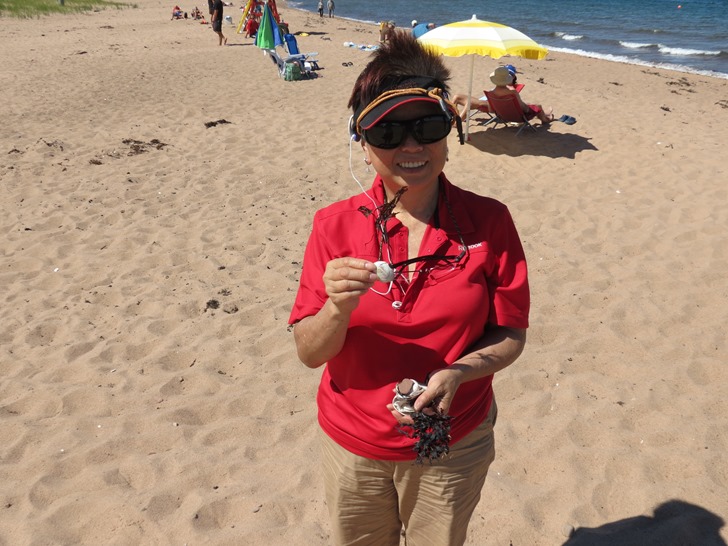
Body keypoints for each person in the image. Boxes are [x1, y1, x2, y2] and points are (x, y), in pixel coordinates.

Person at [289, 31, 529, 546]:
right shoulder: (332, 226)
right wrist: (336, 309)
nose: (412, 146)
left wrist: (460, 371)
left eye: (427, 126)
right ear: (361, 143)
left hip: (452, 442)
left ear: (450, 132)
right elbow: (309, 353)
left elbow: (510, 333)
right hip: (354, 445)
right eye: (388, 133)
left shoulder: (490, 222)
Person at [453, 65, 555, 123]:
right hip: (514, 115)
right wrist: (529, 108)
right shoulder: (512, 92)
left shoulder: (492, 92)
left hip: (499, 111)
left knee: (536, 106)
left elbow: (493, 109)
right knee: (538, 106)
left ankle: (546, 115)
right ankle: (546, 118)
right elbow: (523, 108)